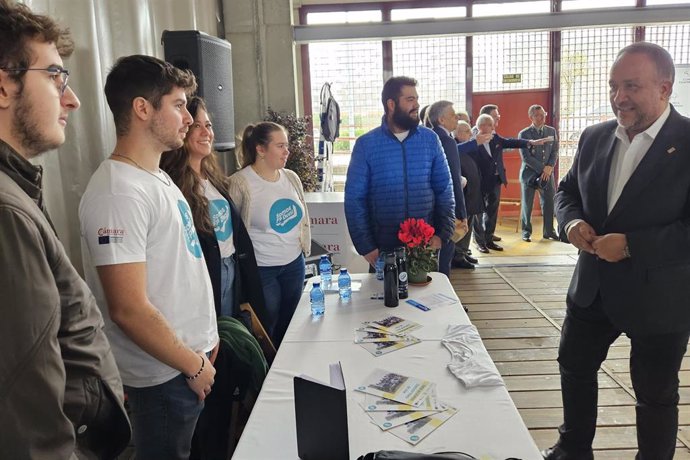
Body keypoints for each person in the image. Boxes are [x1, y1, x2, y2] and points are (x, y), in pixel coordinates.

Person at [544, 42, 690, 460]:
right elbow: (567, 191)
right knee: (574, 369)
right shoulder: (594, 137)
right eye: (613, 86)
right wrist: (570, 222)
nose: (618, 97)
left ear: (665, 88)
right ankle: (573, 449)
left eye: (631, 86)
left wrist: (631, 246)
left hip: (661, 297)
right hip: (592, 288)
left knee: (656, 394)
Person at [0, 1, 131, 457]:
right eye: (55, 76)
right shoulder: (7, 212)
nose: (71, 98)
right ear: (3, 85)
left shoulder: (15, 193)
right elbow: (27, 409)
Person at [79, 55, 218, 460]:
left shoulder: (155, 177)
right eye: (178, 105)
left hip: (186, 367)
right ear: (143, 109)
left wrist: (205, 343)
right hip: (164, 377)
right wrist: (191, 364)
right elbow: (128, 308)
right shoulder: (117, 192)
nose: (190, 118)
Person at [161, 96, 265, 321]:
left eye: (207, 125)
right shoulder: (172, 185)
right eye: (196, 126)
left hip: (230, 271)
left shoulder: (214, 178)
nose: (205, 132)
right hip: (204, 278)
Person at [344, 76, 455, 270]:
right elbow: (355, 199)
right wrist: (366, 246)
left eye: (417, 99)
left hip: (424, 249)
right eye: (410, 99)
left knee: (426, 298)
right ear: (391, 104)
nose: (417, 105)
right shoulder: (367, 145)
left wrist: (443, 234)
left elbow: (444, 189)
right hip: (383, 249)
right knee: (385, 299)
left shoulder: (430, 140)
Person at [228, 122, 311, 348]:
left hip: (295, 263)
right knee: (268, 326)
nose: (287, 151)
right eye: (281, 146)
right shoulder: (240, 182)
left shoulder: (291, 177)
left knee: (292, 321)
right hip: (263, 270)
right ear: (260, 149)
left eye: (287, 145)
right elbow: (232, 232)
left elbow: (301, 221)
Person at [471, 113, 544, 253]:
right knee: (478, 213)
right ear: (481, 126)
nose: (493, 128)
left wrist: (529, 142)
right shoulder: (473, 142)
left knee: (492, 212)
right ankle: (480, 242)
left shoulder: (495, 138)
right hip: (479, 183)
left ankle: (489, 239)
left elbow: (510, 142)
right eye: (491, 125)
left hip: (495, 181)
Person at [427, 100, 468, 276]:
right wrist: (462, 212)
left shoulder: (428, 136)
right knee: (445, 255)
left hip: (429, 206)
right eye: (453, 115)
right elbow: (452, 181)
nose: (457, 118)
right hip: (445, 209)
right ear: (442, 120)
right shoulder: (445, 140)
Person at [453, 120, 491, 269]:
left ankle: (463, 252)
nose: (471, 134)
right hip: (464, 196)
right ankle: (457, 256)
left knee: (468, 226)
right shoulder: (454, 147)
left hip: (473, 194)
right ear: (458, 133)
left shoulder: (470, 148)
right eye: (467, 131)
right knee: (462, 227)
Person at [518, 104, 559, 242]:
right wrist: (543, 169)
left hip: (547, 174)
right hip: (529, 174)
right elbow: (526, 157)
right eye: (537, 115)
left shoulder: (551, 131)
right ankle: (526, 232)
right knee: (527, 204)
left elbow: (555, 151)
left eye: (543, 115)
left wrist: (550, 166)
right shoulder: (524, 134)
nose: (541, 118)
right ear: (531, 117)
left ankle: (549, 231)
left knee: (549, 203)